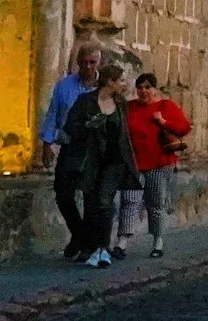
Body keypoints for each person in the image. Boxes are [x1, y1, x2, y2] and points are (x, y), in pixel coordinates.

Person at [59, 62, 140, 269]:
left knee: (104, 202)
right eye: (120, 80)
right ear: (110, 81)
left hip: (114, 161)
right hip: (91, 161)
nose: (123, 84)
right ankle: (90, 246)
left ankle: (103, 248)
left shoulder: (120, 103)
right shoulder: (85, 101)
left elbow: (123, 134)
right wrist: (87, 126)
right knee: (91, 204)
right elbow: (70, 127)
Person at [39, 39, 106, 259]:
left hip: (94, 150)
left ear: (99, 63)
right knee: (63, 194)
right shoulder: (64, 86)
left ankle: (86, 245)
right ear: (77, 62)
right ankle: (79, 234)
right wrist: (47, 144)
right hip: (70, 147)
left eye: (92, 62)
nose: (88, 67)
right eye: (84, 62)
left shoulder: (105, 89)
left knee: (90, 198)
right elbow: (53, 115)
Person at [123, 73, 192, 258]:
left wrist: (164, 122)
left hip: (159, 163)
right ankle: (122, 242)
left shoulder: (165, 106)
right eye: (139, 87)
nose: (143, 91)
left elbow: (184, 127)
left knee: (156, 204)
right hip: (135, 164)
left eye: (147, 87)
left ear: (154, 89)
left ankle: (158, 241)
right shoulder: (130, 107)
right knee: (129, 200)